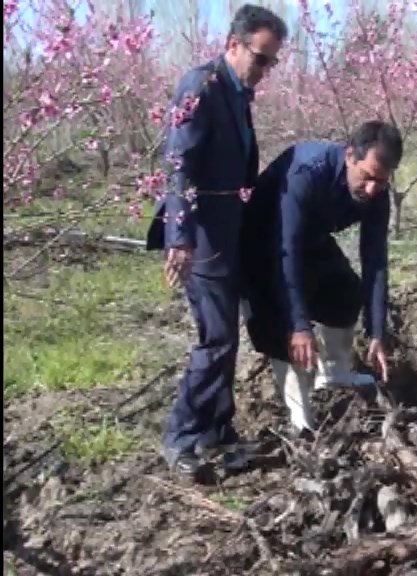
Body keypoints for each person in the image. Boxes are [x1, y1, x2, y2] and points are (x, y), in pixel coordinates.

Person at [145, 5, 287, 479]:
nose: (264, 71)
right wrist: (179, 237)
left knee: (227, 335)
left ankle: (218, 428)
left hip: (228, 230)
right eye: (260, 59)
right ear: (233, 44)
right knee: (216, 336)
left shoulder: (236, 92)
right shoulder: (202, 87)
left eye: (271, 62)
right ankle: (183, 435)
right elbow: (179, 163)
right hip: (202, 235)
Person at [241, 121, 404, 433]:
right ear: (349, 156)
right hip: (260, 244)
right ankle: (301, 421)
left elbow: (376, 261)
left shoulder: (377, 194)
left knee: (345, 292)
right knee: (281, 327)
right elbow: (284, 250)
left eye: (382, 182)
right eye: (367, 177)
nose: (372, 190)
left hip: (310, 239)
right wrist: (299, 324)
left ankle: (333, 372)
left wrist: (377, 331)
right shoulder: (306, 172)